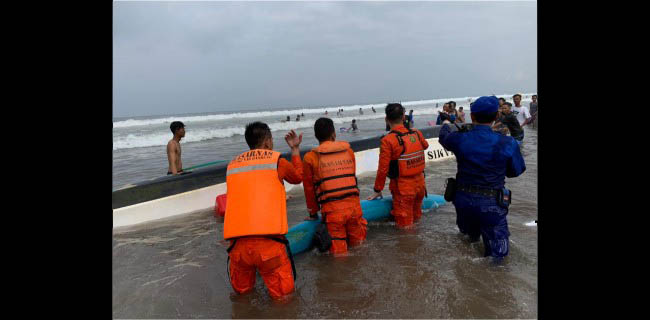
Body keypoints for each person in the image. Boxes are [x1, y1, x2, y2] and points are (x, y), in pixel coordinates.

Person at [438, 96, 526, 262]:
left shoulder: (460, 139)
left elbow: (444, 137)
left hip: (463, 200)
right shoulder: (507, 143)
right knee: (498, 257)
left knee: (468, 241)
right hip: (492, 203)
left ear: (472, 117)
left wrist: (445, 123)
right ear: (496, 117)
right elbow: (516, 171)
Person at [223, 122, 304, 300]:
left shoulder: (232, 166)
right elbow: (299, 177)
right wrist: (295, 150)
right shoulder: (277, 161)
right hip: (269, 245)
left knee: (242, 298)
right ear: (267, 142)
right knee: (284, 300)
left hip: (238, 247)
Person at [303, 118, 367, 254]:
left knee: (339, 255)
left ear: (316, 136)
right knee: (359, 247)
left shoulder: (310, 158)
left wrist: (313, 213)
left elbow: (309, 189)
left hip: (333, 212)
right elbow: (351, 177)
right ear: (334, 134)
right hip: (354, 207)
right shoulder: (348, 152)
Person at [367, 103, 429, 228]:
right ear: (404, 117)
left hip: (403, 190)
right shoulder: (416, 133)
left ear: (386, 119)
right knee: (417, 220)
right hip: (420, 186)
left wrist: (377, 190)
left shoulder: (388, 140)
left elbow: (383, 169)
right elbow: (425, 145)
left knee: (405, 228)